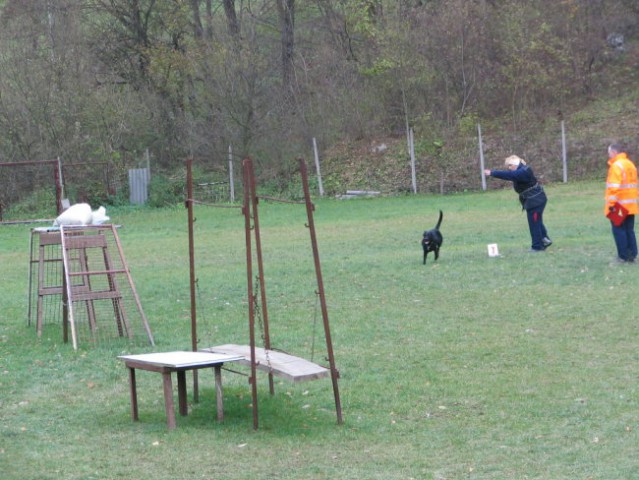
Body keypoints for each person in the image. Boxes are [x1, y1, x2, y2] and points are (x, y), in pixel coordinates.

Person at [484, 155, 552, 252]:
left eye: (510, 166)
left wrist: (492, 173)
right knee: (536, 221)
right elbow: (511, 174)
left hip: (535, 201)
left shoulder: (523, 171)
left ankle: (537, 247)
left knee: (534, 223)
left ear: (515, 164)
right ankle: (545, 239)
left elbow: (510, 176)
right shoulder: (522, 169)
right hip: (535, 200)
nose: (509, 168)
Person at [604, 143, 638, 263]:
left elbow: (614, 187)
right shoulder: (630, 164)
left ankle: (622, 256)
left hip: (619, 204)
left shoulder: (616, 166)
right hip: (631, 204)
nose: (608, 156)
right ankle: (632, 255)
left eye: (609, 153)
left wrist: (612, 205)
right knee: (629, 229)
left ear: (614, 152)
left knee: (619, 230)